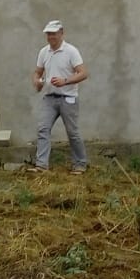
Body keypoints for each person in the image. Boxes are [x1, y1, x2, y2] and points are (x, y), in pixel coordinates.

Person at [31, 19, 89, 173]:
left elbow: (83, 73)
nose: (51, 37)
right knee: (43, 129)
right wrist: (37, 81)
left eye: (54, 34)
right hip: (49, 98)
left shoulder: (71, 51)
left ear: (61, 33)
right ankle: (41, 165)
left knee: (72, 132)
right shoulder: (44, 52)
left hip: (68, 98)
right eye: (48, 34)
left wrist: (65, 81)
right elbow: (37, 72)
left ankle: (80, 164)